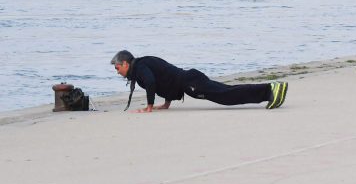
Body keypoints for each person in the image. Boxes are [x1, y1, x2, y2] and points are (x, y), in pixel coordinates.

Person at [110, 50, 288, 113]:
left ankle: (270, 89)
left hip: (190, 82)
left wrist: (149, 107)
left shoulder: (140, 67)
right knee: (227, 92)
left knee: (227, 95)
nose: (117, 72)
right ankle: (270, 90)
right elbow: (165, 77)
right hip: (189, 80)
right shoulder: (142, 64)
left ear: (125, 63)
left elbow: (151, 83)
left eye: (117, 67)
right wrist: (166, 104)